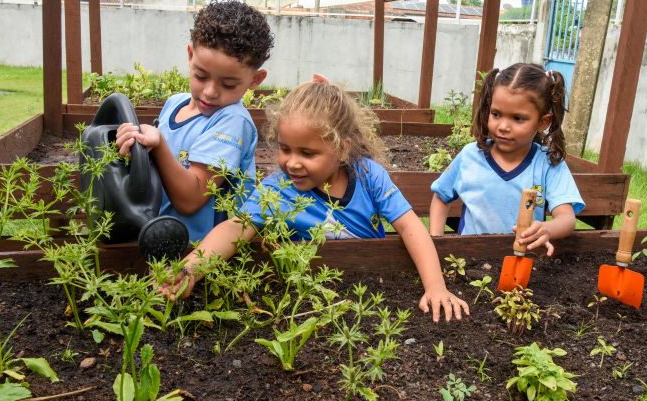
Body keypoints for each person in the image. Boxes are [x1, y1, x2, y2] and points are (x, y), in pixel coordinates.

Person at [160, 76, 469, 323]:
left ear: (343, 149)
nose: (292, 163)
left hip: (371, 286)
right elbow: (234, 228)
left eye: (307, 153)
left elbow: (410, 226)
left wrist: (435, 287)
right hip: (307, 300)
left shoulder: (368, 175)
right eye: (285, 149)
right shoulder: (277, 188)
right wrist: (191, 268)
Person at [116, 0, 274, 243]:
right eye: (201, 76)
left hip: (197, 252)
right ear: (191, 55)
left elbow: (190, 200)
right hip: (159, 239)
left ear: (255, 79)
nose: (210, 92)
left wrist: (158, 146)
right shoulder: (174, 103)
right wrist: (134, 147)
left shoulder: (231, 120)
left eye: (229, 84)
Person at [429, 63, 584, 256]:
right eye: (496, 114)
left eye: (518, 118)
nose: (503, 126)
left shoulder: (547, 163)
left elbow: (567, 219)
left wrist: (547, 229)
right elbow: (441, 198)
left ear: (543, 122)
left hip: (523, 263)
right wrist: (437, 242)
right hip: (468, 261)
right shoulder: (470, 156)